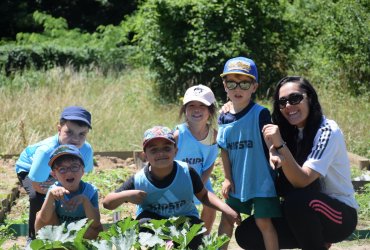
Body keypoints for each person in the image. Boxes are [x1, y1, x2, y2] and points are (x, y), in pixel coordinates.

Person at [235, 76, 358, 250]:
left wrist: (280, 145)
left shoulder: (327, 130)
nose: (288, 106)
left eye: (295, 98)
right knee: (247, 233)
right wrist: (232, 108)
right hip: (301, 212)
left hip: (339, 215)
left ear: (309, 97)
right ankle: (315, 241)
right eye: (282, 102)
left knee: (296, 201)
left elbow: (302, 180)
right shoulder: (287, 131)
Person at [103, 126, 241, 249]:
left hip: (185, 220)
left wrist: (227, 209)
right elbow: (107, 203)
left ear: (176, 151)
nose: (161, 153)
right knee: (144, 224)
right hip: (153, 225)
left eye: (166, 148)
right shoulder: (139, 179)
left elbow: (204, 195)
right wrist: (126, 195)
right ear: (144, 155)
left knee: (196, 229)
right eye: (154, 150)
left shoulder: (186, 172)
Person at [217, 57, 281, 250]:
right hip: (237, 181)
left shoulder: (260, 113)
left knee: (263, 222)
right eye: (232, 83)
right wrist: (227, 178)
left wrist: (273, 153)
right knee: (227, 217)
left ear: (254, 87)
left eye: (244, 83)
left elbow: (269, 139)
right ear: (225, 86)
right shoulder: (223, 117)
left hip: (261, 180)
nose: (238, 89)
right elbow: (224, 151)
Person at [15, 106, 94, 240]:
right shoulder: (46, 151)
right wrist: (56, 194)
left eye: (82, 134)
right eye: (69, 132)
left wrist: (70, 191)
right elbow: (37, 185)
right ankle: (33, 237)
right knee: (38, 197)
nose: (75, 139)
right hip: (31, 169)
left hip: (58, 170)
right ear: (59, 129)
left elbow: (81, 175)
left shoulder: (86, 149)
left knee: (77, 193)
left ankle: (72, 231)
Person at [173, 84, 218, 234]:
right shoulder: (178, 135)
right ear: (185, 110)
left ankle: (203, 239)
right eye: (191, 105)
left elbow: (209, 164)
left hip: (201, 178)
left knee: (211, 204)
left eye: (202, 105)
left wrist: (199, 185)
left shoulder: (213, 136)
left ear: (210, 111)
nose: (196, 109)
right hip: (176, 181)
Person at [35, 144, 102, 239]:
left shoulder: (90, 191)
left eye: (74, 167)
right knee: (39, 216)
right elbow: (44, 220)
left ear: (82, 170)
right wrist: (50, 196)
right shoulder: (54, 190)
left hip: (82, 236)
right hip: (60, 235)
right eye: (62, 169)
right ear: (54, 174)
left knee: (98, 229)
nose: (69, 173)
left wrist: (85, 201)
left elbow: (95, 223)